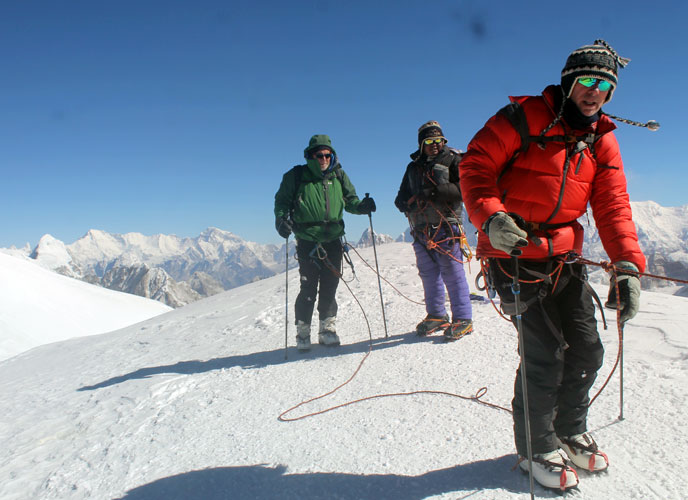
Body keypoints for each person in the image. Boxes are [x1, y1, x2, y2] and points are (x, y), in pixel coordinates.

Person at [459, 40, 647, 490]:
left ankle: (567, 427)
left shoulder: (601, 137)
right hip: (513, 253)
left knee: (586, 347)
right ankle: (535, 446)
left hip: (563, 256)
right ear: (569, 81)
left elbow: (613, 204)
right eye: (587, 79)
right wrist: (491, 217)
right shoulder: (522, 119)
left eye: (605, 84)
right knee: (544, 354)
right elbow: (475, 166)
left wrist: (626, 265)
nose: (594, 90)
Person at [274, 134, 376, 351]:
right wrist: (281, 219)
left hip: (333, 240)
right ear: (310, 155)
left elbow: (350, 201)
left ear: (332, 155)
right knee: (308, 288)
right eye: (318, 154)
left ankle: (327, 330)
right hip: (307, 241)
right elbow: (281, 201)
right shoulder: (296, 176)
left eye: (327, 155)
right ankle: (303, 332)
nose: (323, 158)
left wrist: (362, 206)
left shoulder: (339, 175)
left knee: (330, 287)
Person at [394, 121, 473, 341]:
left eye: (439, 140)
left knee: (452, 272)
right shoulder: (413, 168)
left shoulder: (454, 160)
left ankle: (463, 318)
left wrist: (434, 192)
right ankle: (437, 314)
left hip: (446, 225)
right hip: (421, 228)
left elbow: (465, 188)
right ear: (421, 144)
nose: (435, 145)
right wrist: (403, 202)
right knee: (428, 273)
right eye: (429, 141)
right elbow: (401, 194)